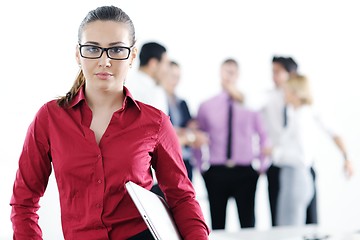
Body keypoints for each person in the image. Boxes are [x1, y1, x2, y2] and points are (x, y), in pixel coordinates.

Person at [9, 5, 210, 240]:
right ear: (78, 54)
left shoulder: (155, 122)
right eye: (93, 48)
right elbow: (24, 201)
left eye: (116, 50)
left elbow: (182, 198)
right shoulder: (49, 118)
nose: (105, 61)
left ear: (132, 56)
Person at [262, 56, 354, 226]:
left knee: (301, 225)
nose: (273, 77)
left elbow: (331, 133)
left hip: (298, 169)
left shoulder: (306, 110)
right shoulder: (271, 99)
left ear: (291, 75)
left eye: (277, 72)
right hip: (279, 170)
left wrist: (346, 157)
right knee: (281, 224)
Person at [194, 58, 269, 229]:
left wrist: (261, 167)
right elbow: (198, 138)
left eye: (232, 72)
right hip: (216, 173)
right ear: (219, 73)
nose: (228, 76)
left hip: (245, 173)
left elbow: (264, 136)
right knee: (217, 224)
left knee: (248, 224)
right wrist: (201, 169)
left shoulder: (251, 106)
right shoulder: (206, 106)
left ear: (238, 75)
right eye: (225, 71)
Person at [161, 61, 208, 181]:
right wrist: (188, 134)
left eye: (178, 77)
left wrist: (191, 129)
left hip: (184, 159)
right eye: (172, 76)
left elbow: (188, 126)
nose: (175, 80)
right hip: (166, 160)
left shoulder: (182, 103)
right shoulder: (157, 100)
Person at [125, 41, 169, 114]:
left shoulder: (127, 83)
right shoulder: (151, 91)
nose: (167, 69)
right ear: (153, 63)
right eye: (165, 63)